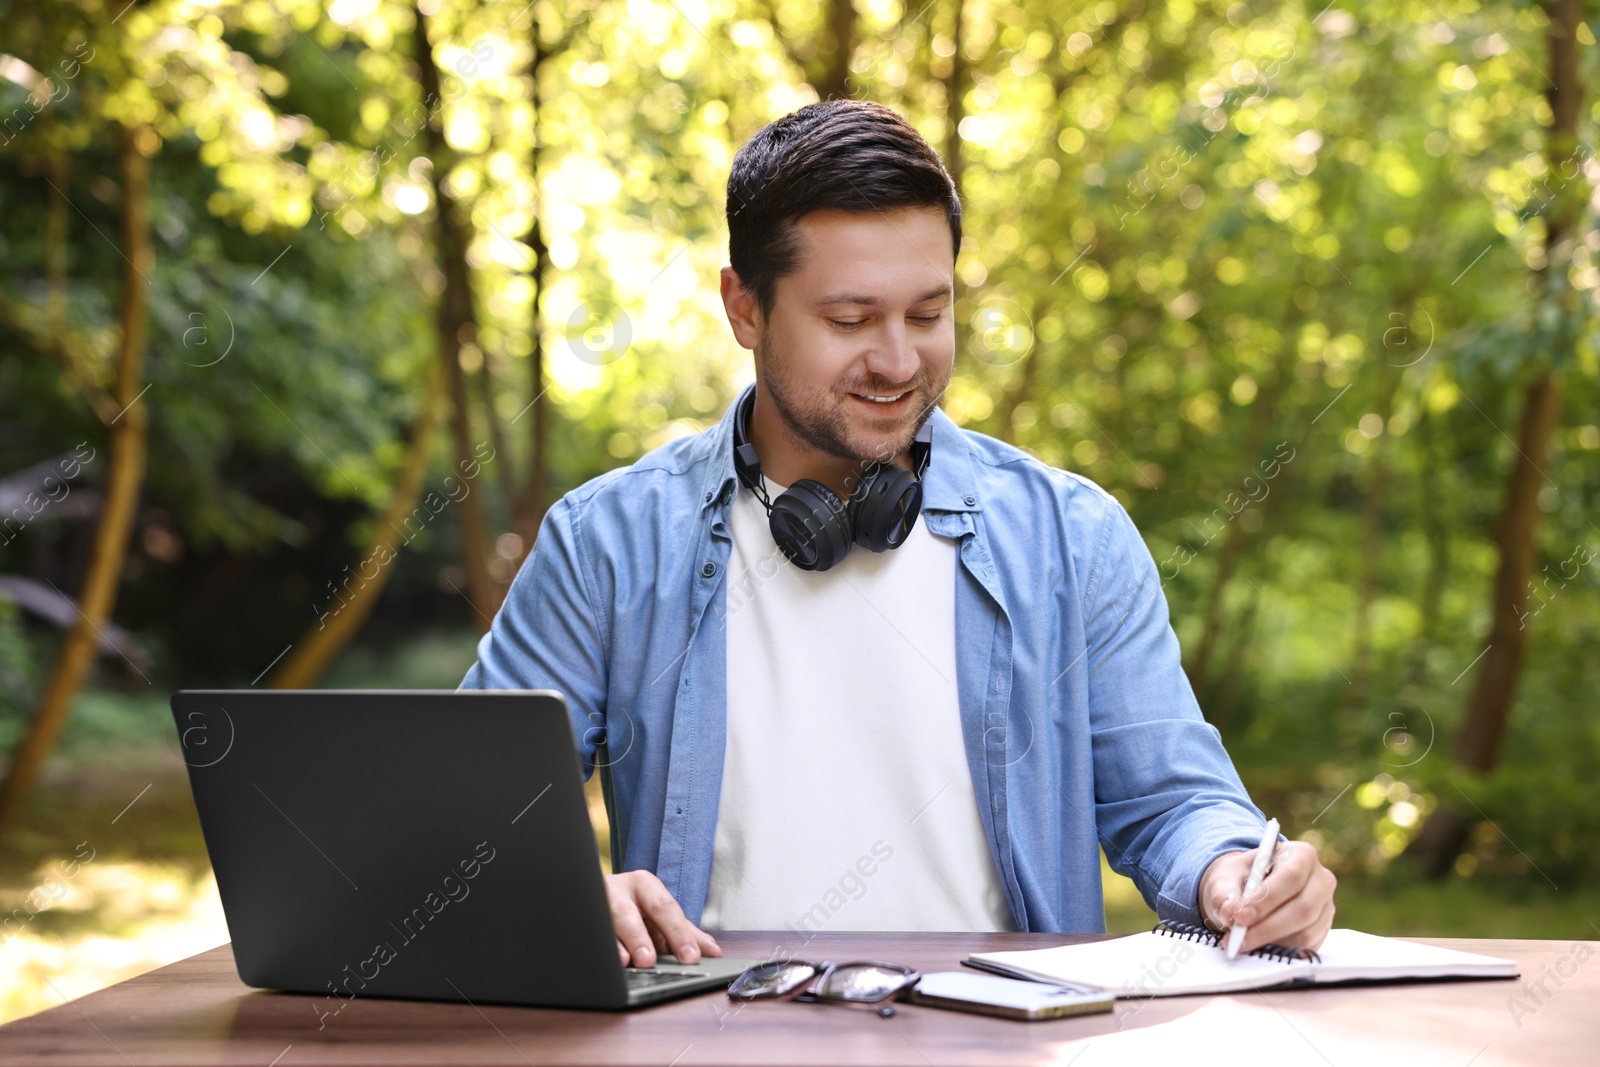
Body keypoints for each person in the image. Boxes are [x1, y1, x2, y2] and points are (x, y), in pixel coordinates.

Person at [460, 99, 1336, 969]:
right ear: (745, 309)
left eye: (927, 315)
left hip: (1001, 1043)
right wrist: (571, 891)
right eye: (850, 320)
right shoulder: (607, 544)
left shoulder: (1074, 539)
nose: (898, 361)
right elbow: (466, 827)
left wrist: (1237, 872)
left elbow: (1174, 799)